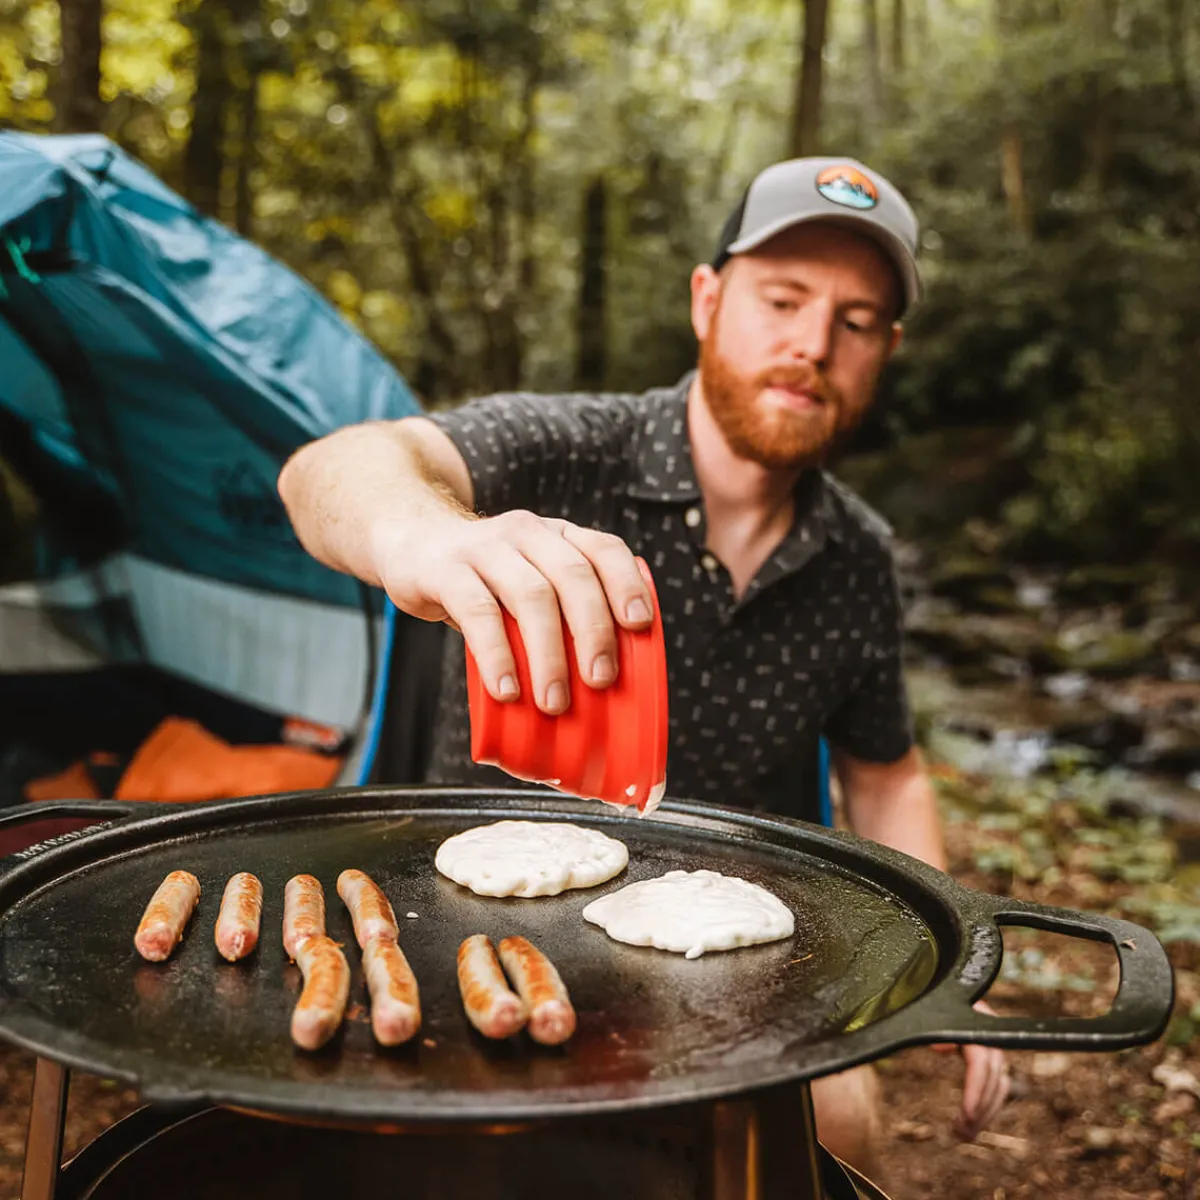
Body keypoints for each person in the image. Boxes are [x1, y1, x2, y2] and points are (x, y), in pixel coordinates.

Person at [277, 155, 1010, 1176]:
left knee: (840, 1125)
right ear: (708, 302)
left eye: (856, 320)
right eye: (784, 299)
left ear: (885, 349)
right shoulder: (564, 452)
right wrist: (419, 536)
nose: (810, 344)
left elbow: (887, 776)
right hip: (479, 929)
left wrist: (956, 949)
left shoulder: (859, 561)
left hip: (732, 957)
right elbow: (332, 468)